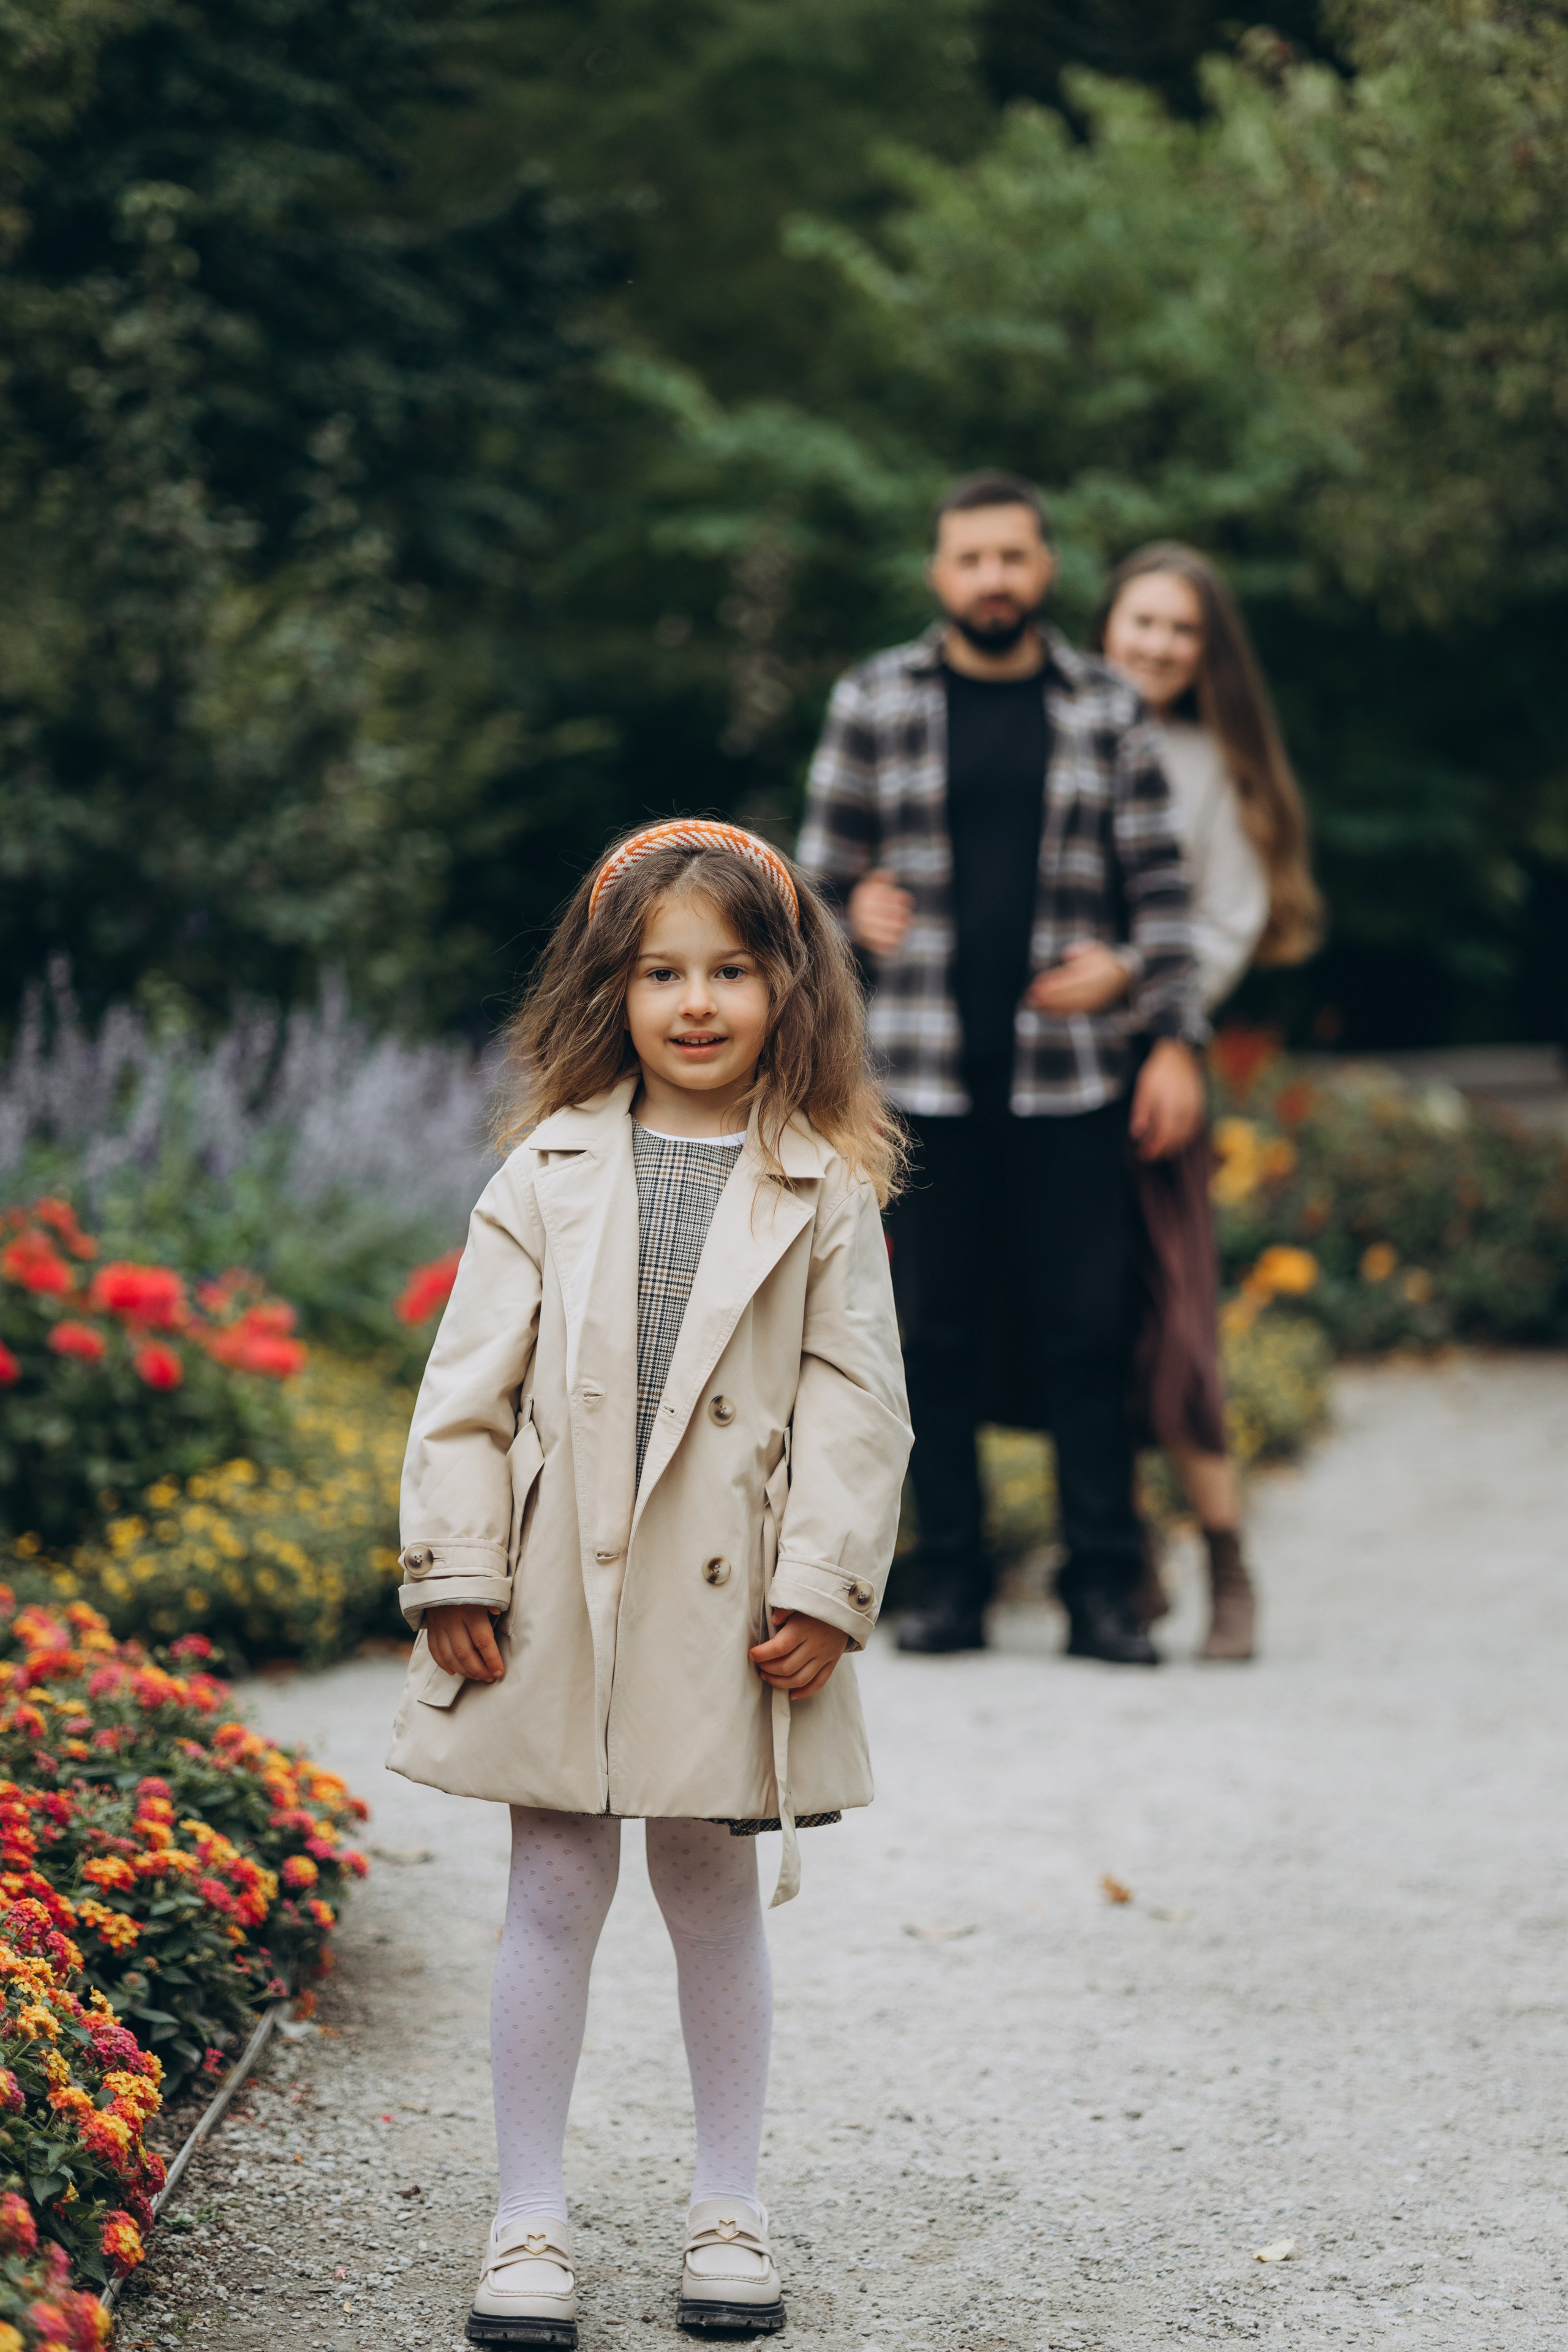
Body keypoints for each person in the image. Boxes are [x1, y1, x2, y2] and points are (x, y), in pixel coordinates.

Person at [385, 818, 911, 2346]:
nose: (695, 1002)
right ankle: (526, 2219)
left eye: (731, 971)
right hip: (553, 1583)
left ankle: (727, 2204)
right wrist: (457, 1567)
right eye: (662, 972)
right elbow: (464, 1395)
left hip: (727, 1600)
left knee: (707, 1879)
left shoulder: (823, 1189)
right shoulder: (541, 1174)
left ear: (784, 990)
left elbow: (854, 1405)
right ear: (610, 990)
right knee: (550, 1880)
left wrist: (821, 1584)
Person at [798, 471, 1207, 1666]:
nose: (991, 579)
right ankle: (948, 1588)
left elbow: (1162, 903)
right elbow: (804, 893)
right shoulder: (872, 700)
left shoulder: (1104, 709)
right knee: (931, 1337)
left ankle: (1100, 1594)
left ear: (1044, 571)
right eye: (969, 559)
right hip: (918, 1080)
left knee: (1086, 1333)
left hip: (1070, 1080)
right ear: (939, 574)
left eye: (1011, 558)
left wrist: (1138, 988)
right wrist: (844, 913)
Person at [1077, 540, 1323, 1658]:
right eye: (1143, 623)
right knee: (1082, 1320)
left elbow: (1221, 926)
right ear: (1106, 626)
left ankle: (1228, 1564)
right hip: (1044, 1075)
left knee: (1173, 1323)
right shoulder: (1060, 729)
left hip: (1154, 1071)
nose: (1160, 646)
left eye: (1184, 630)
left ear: (1207, 650)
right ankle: (1123, 1560)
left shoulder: (1209, 765)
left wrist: (1169, 1031)